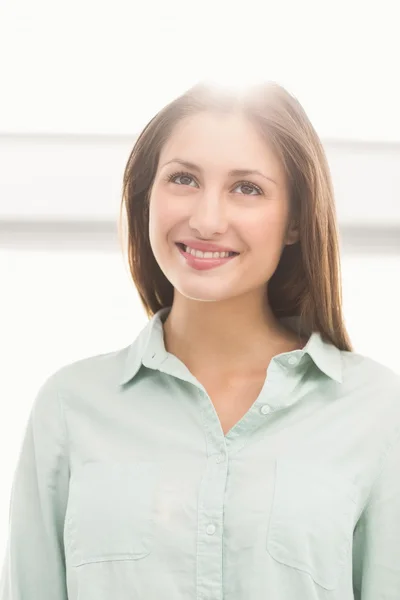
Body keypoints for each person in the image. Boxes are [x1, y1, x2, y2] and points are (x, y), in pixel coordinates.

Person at [1, 80, 399, 600]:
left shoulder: (375, 410)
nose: (207, 219)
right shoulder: (70, 404)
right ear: (146, 196)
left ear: (296, 220)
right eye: (183, 179)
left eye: (247, 188)